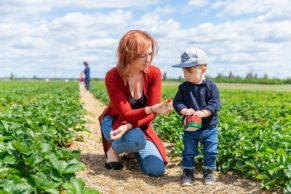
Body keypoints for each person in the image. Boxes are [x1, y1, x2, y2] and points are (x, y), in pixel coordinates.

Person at [99, 29, 172, 177]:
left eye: (150, 54)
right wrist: (151, 109)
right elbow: (126, 114)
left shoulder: (154, 73)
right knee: (136, 138)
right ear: (129, 54)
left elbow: (151, 115)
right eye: (142, 55)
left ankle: (132, 149)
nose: (148, 59)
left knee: (156, 170)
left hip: (140, 125)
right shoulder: (113, 76)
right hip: (115, 122)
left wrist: (132, 125)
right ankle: (113, 150)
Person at [172, 47, 220, 185]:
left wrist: (205, 112)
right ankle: (188, 172)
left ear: (203, 69)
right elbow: (177, 102)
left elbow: (215, 103)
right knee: (188, 151)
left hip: (209, 127)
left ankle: (208, 171)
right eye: (184, 71)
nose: (186, 75)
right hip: (190, 128)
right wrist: (184, 110)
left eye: (190, 71)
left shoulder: (211, 86)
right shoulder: (183, 87)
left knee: (210, 151)